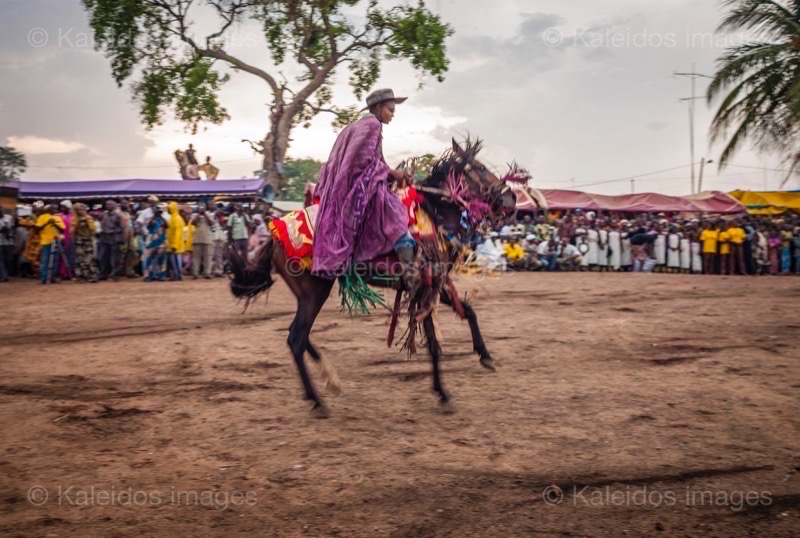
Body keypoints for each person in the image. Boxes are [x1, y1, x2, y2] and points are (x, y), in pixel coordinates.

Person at [311, 88, 415, 287]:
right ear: (378, 107)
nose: (393, 114)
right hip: (358, 190)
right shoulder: (372, 125)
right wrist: (395, 174)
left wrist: (395, 176)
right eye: (390, 110)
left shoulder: (357, 126)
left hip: (350, 187)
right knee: (400, 222)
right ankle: (410, 276)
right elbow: (364, 162)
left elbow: (372, 162)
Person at [34, 204, 65, 284]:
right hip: (46, 241)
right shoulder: (42, 217)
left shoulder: (58, 218)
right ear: (48, 209)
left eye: (55, 209)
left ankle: (52, 277)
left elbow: (62, 230)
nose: (54, 210)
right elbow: (37, 229)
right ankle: (43, 278)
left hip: (56, 240)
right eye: (53, 209)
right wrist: (47, 223)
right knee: (45, 260)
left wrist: (55, 225)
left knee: (55, 260)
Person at [71, 203, 99, 283]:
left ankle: (92, 276)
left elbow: (93, 229)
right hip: (79, 241)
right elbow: (72, 231)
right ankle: (81, 276)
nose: (81, 211)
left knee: (89, 258)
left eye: (82, 209)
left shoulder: (89, 218)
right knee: (80, 259)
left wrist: (87, 221)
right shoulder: (74, 219)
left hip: (88, 240)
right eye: (79, 210)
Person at [98, 200, 124, 281]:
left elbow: (121, 228)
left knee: (114, 258)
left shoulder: (118, 215)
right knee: (102, 257)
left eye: (110, 204)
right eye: (107, 204)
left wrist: (114, 232)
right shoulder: (103, 214)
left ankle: (115, 274)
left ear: (114, 206)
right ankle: (103, 274)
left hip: (114, 238)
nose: (108, 206)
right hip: (104, 238)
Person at [190, 202, 214, 279]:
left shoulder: (209, 214)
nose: (202, 208)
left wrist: (205, 214)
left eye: (203, 207)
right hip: (197, 238)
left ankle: (207, 273)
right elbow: (193, 223)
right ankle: (195, 273)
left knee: (207, 257)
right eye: (200, 207)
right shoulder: (194, 215)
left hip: (207, 238)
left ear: (205, 208)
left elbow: (211, 223)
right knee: (196, 257)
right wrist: (199, 214)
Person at [166, 201, 186, 280]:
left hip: (175, 245)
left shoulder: (176, 219)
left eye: (169, 208)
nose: (168, 210)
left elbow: (177, 234)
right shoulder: (174, 218)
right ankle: (176, 275)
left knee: (176, 261)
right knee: (175, 261)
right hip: (174, 244)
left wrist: (174, 245)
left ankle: (177, 275)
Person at [0, 207, 14, 281]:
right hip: (0, 242)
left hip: (9, 242)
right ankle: (4, 276)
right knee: (1, 260)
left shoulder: (8, 217)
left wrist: (8, 231)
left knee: (9, 259)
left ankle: (6, 274)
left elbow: (12, 228)